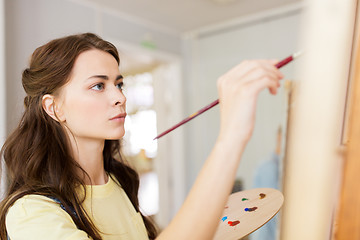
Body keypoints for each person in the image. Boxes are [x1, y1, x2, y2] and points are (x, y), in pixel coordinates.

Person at [0, 33, 284, 240]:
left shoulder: (119, 182)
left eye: (119, 84)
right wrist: (232, 135)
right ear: (54, 107)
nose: (120, 97)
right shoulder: (31, 213)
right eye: (98, 86)